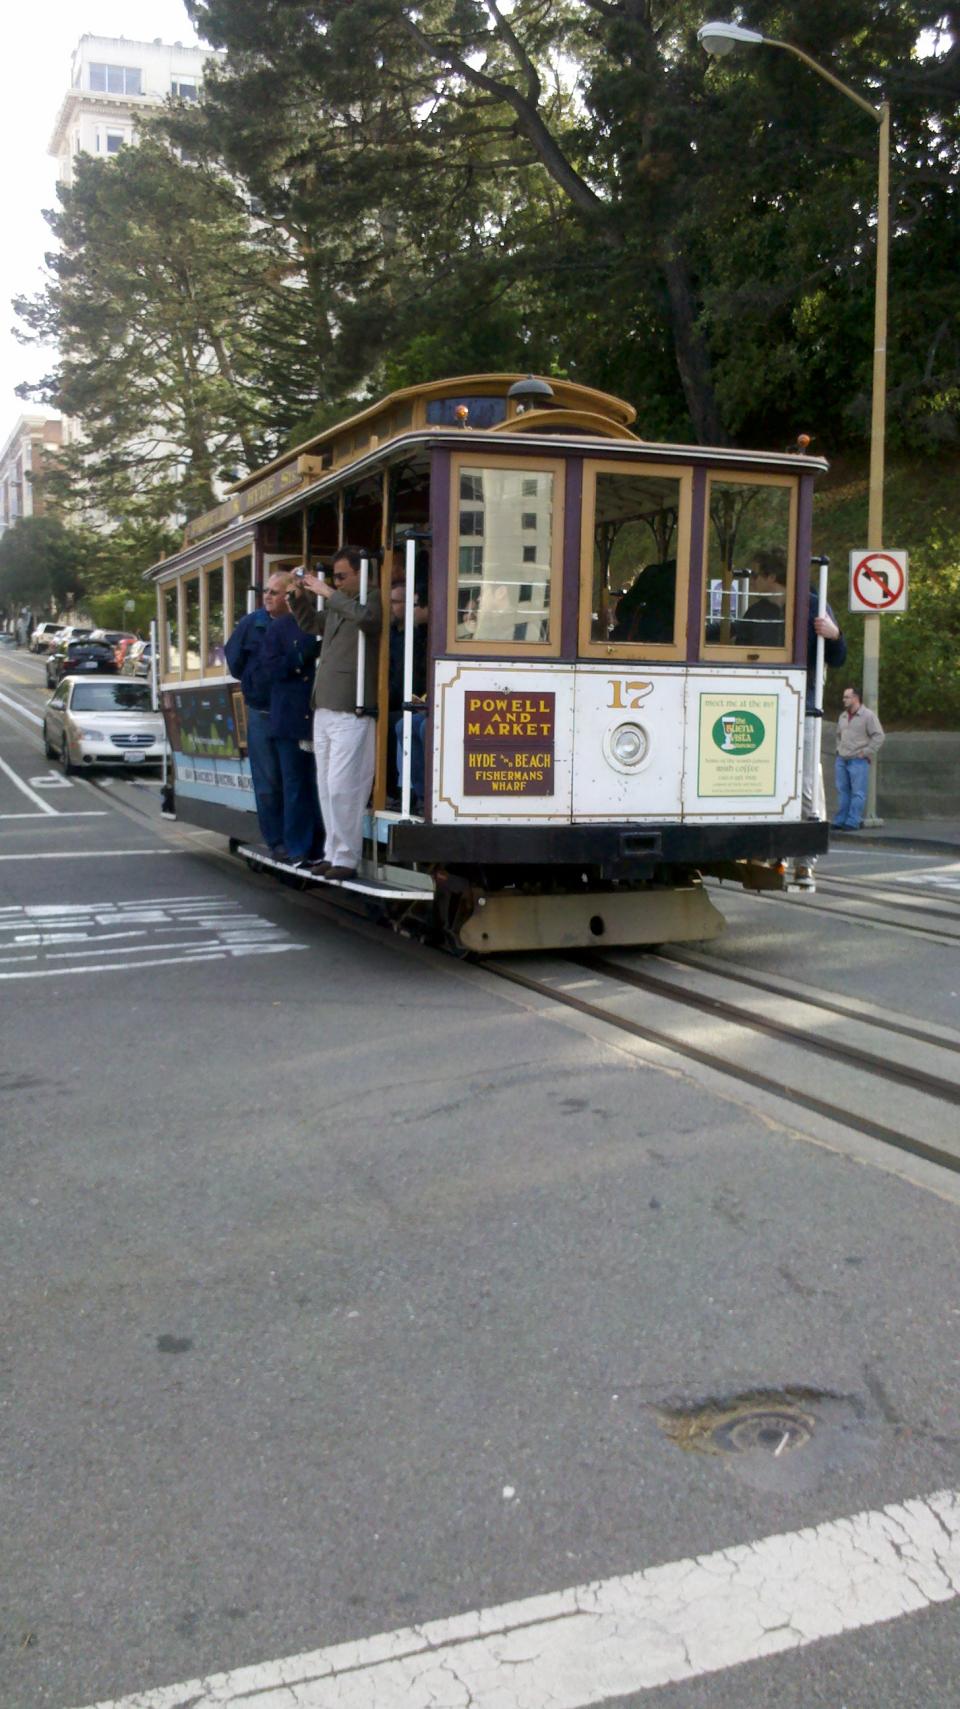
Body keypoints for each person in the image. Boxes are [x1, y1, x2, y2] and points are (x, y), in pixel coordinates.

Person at [287, 547, 382, 880]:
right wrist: (297, 596)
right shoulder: (343, 604)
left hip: (351, 706)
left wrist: (327, 592)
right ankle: (333, 851)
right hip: (325, 704)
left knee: (345, 786)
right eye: (335, 578)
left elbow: (370, 620)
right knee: (326, 786)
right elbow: (313, 623)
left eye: (342, 576)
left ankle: (347, 857)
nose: (337, 582)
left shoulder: (372, 599)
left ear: (362, 573)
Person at [224, 571, 320, 863]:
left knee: (295, 781)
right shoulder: (253, 623)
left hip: (294, 712)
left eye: (275, 592)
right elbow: (235, 661)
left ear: (291, 596)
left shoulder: (307, 624)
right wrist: (257, 684)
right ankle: (276, 841)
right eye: (266, 590)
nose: (268, 596)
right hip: (262, 712)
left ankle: (300, 843)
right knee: (267, 784)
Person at [388, 573, 429, 811]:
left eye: (398, 602)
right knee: (399, 723)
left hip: (419, 703)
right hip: (408, 701)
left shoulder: (424, 636)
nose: (392, 607)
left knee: (405, 723)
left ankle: (414, 794)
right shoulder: (397, 635)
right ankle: (406, 793)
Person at [834, 685, 884, 831]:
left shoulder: (868, 715)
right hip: (842, 759)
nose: (844, 700)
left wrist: (866, 752)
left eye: (847, 697)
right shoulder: (843, 716)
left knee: (858, 792)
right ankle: (840, 819)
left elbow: (879, 736)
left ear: (856, 698)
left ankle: (853, 820)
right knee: (843, 791)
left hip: (858, 759)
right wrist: (838, 749)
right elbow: (838, 734)